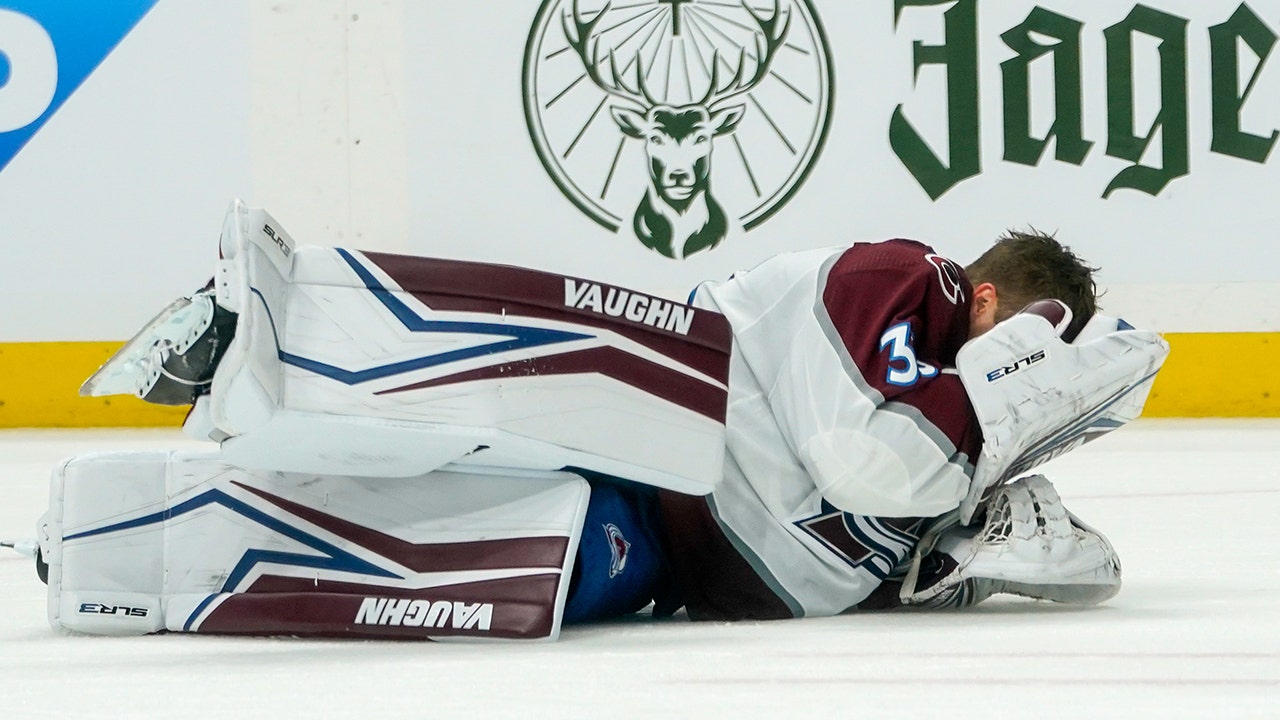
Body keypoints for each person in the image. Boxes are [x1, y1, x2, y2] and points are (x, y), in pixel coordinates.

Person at [48, 212, 1165, 640]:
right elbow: (867, 456)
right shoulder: (902, 275)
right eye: (1027, 338)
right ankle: (266, 324)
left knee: (489, 567)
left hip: (671, 544)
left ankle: (136, 547)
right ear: (987, 302)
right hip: (656, 409)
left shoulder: (968, 426)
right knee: (534, 359)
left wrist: (977, 534)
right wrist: (1010, 376)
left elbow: (896, 529)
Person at [561, 230, 1109, 624]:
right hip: (649, 445)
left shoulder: (941, 383)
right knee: (524, 532)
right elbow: (857, 458)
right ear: (983, 298)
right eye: (1020, 350)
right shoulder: (917, 279)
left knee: (553, 571)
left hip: (685, 550)